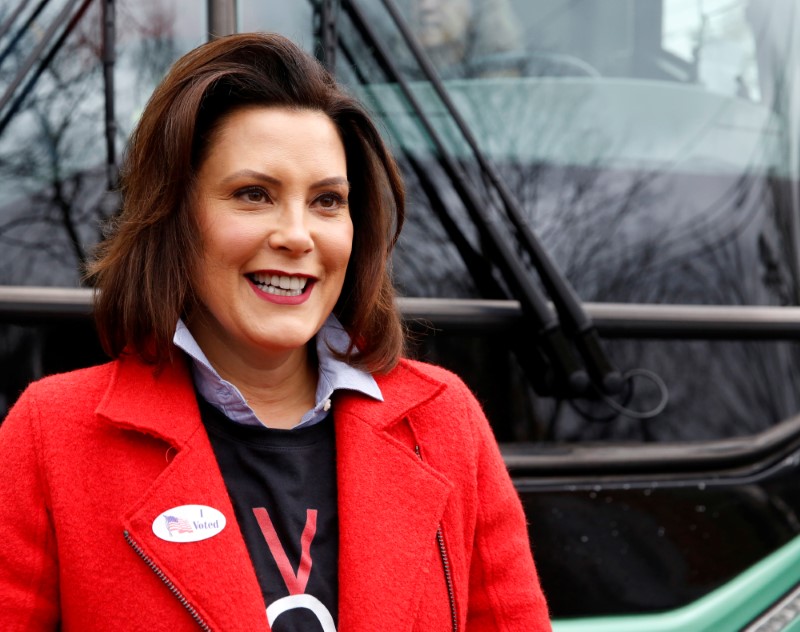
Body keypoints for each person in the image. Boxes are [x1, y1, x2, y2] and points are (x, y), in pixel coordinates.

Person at [0, 32, 550, 631]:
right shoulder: (50, 437)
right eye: (254, 195)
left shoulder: (445, 424)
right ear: (175, 217)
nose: (297, 235)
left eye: (327, 201)